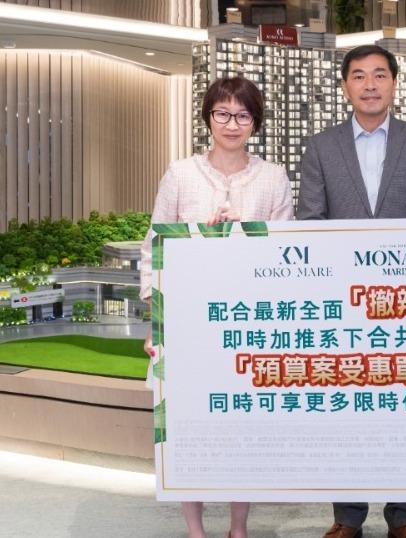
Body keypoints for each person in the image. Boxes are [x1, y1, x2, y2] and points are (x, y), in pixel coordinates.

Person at [297, 45, 406, 538]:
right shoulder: (321, 146)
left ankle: (405, 515)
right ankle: (347, 516)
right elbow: (311, 222)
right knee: (346, 404)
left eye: (380, 75)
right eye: (359, 76)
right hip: (342, 300)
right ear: (345, 87)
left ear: (394, 83)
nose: (370, 85)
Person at [140, 76, 294, 538]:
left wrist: (246, 231)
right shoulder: (180, 174)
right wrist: (155, 323)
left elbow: (286, 251)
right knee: (186, 425)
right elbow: (154, 248)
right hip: (187, 324)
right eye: (222, 113)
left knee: (241, 426)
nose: (232, 124)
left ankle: (239, 527)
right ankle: (195, 528)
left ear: (255, 122)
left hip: (248, 323)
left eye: (243, 115)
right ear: (208, 117)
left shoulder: (273, 178)